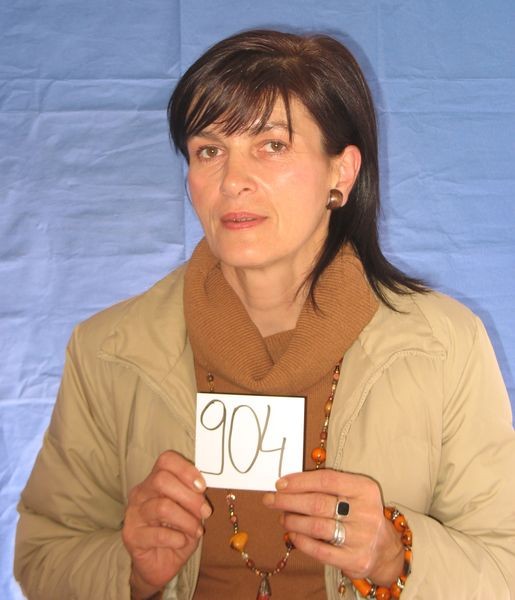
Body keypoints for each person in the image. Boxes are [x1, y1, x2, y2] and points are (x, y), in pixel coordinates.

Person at [14, 29, 515, 600]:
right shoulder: (108, 350)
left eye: (272, 145)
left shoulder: (444, 346)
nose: (233, 181)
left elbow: (505, 566)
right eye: (209, 151)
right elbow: (44, 555)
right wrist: (131, 570)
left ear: (341, 173)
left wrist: (394, 554)